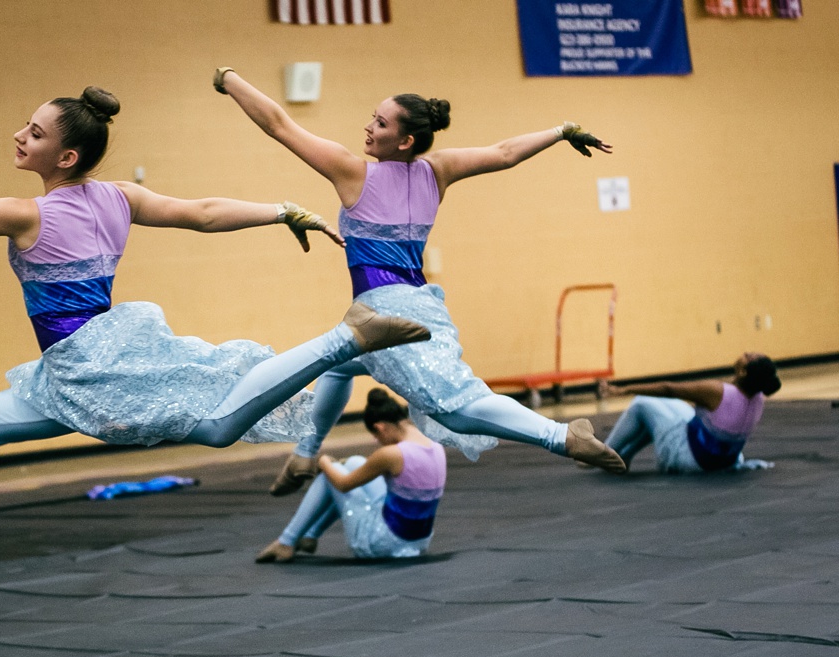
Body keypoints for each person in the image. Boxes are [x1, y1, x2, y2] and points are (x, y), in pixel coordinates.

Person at [0, 87, 432, 620]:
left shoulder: (24, 213)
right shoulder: (118, 197)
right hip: (79, 367)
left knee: (215, 426)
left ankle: (347, 338)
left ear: (64, 158)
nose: (18, 136)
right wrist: (279, 209)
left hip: (89, 367)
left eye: (33, 133)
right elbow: (201, 212)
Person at [212, 68, 627, 497]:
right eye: (373, 118)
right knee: (337, 367)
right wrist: (560, 131)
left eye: (381, 123)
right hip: (420, 302)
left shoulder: (352, 171)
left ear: (405, 140)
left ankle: (560, 437)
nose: (369, 128)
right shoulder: (437, 169)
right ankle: (306, 454)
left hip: (384, 310)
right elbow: (504, 153)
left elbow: (279, 124)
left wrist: (229, 79)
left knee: (454, 406)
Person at [256, 388, 445, 562]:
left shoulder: (391, 454)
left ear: (380, 427)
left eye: (376, 436)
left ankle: (287, 541)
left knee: (330, 475)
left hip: (384, 543)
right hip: (417, 542)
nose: (376, 441)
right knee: (355, 461)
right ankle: (309, 536)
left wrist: (323, 461)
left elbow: (343, 484)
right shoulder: (432, 442)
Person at [599, 352, 781, 473]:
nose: (745, 352)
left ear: (742, 371)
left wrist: (625, 390)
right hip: (726, 461)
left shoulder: (718, 392)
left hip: (690, 459)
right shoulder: (758, 398)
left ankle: (600, 454)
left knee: (642, 402)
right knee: (667, 410)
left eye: (747, 356)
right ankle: (624, 457)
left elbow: (668, 388)